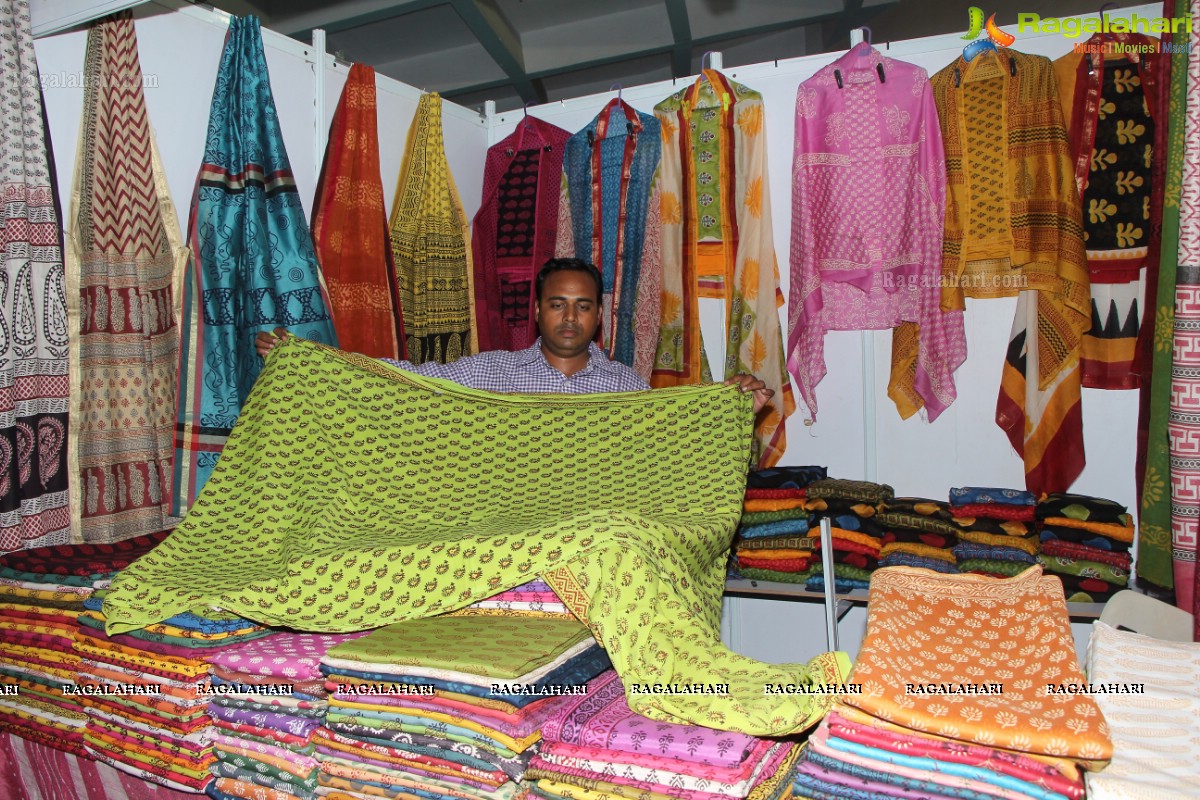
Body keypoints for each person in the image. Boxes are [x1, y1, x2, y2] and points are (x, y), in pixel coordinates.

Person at [256, 258, 773, 411]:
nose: (569, 317)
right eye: (557, 304)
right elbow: (407, 379)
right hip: (508, 539)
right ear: (538, 311)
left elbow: (673, 430)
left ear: (598, 317)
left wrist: (728, 405)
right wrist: (314, 359)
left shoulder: (625, 389)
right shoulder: (490, 371)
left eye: (582, 306)